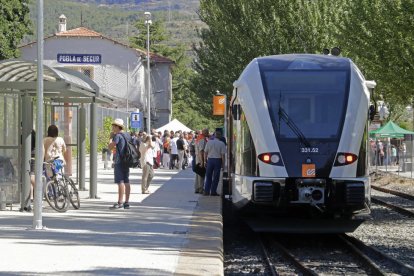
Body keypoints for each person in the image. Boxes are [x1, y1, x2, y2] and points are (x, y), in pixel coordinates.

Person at [108, 118, 131, 209]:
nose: (112, 127)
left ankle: (120, 202)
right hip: (127, 160)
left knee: (120, 181)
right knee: (126, 181)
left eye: (114, 126)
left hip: (119, 160)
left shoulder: (117, 136)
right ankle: (127, 202)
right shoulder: (127, 135)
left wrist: (110, 138)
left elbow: (110, 147)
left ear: (118, 127)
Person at [203, 130, 226, 196]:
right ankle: (213, 191)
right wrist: (223, 164)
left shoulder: (209, 142)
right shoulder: (222, 143)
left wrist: (205, 161)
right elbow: (223, 155)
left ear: (214, 135)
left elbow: (205, 152)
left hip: (210, 160)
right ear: (220, 136)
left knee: (208, 176)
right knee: (216, 177)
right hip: (218, 161)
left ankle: (206, 191)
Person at [194, 129, 209, 194]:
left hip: (197, 158)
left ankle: (197, 188)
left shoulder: (198, 138)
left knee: (198, 173)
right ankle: (200, 189)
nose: (208, 133)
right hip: (200, 158)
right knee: (201, 174)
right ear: (205, 133)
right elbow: (201, 151)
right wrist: (202, 162)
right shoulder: (202, 139)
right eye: (207, 132)